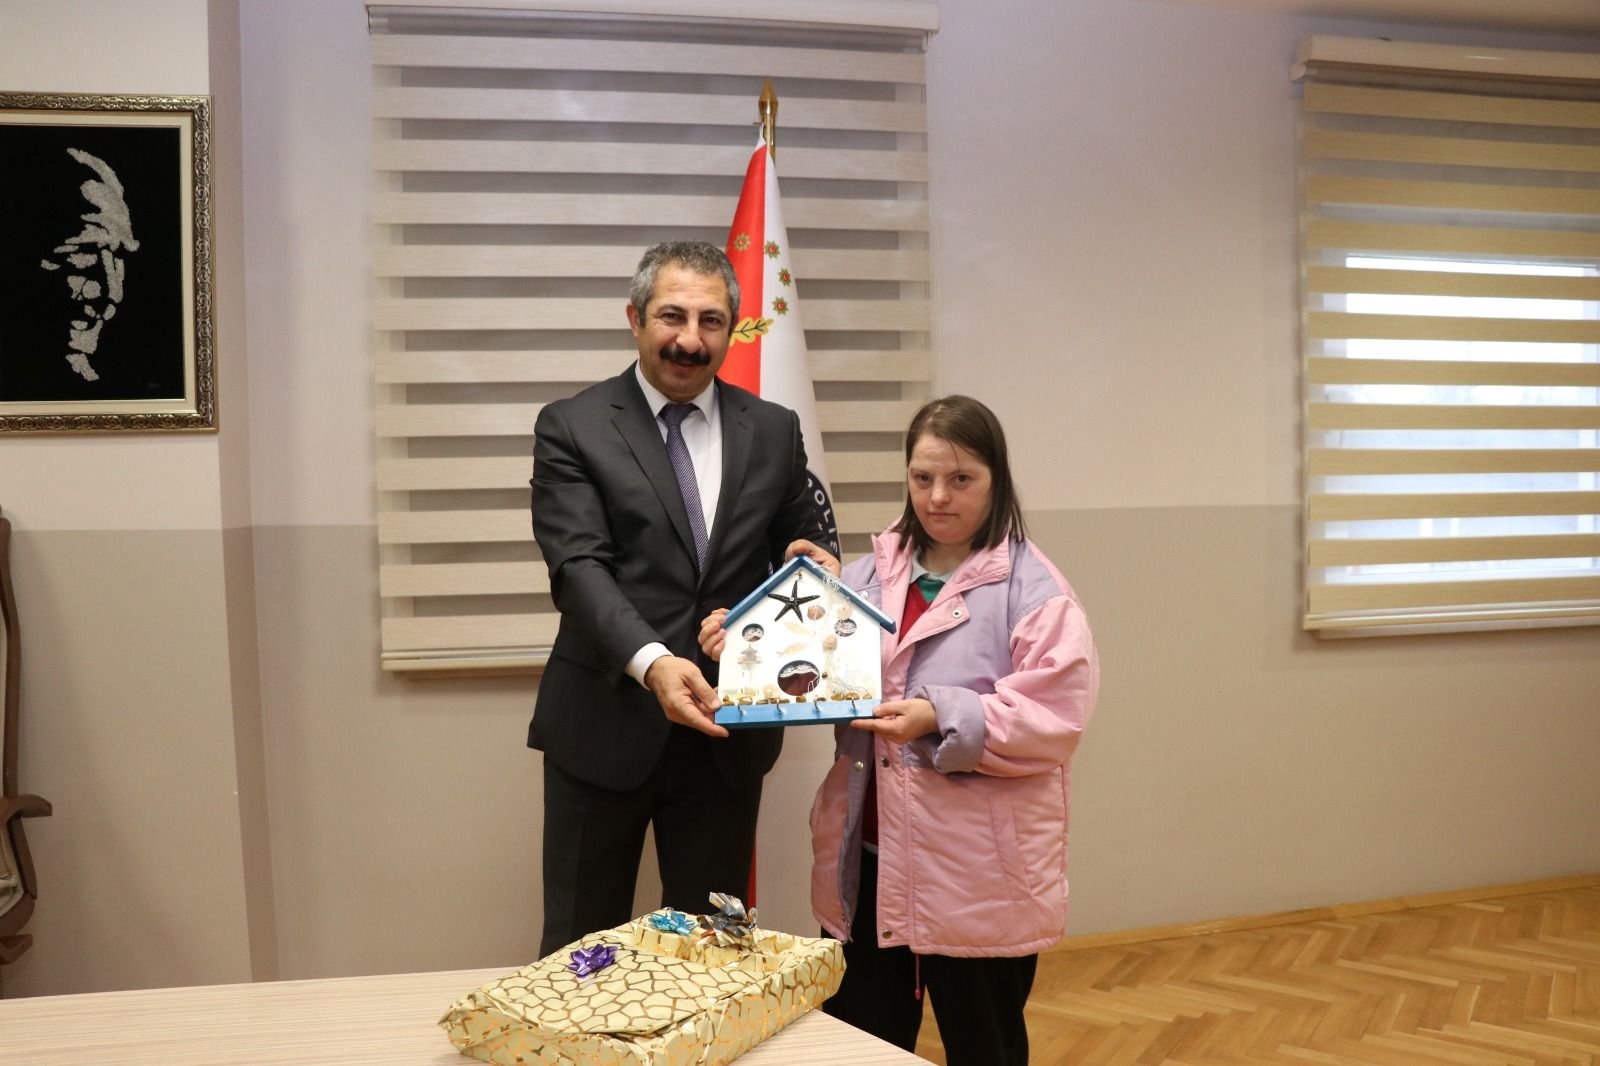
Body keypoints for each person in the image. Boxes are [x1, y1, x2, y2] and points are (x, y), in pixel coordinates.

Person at [529, 240, 831, 958]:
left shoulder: (774, 430)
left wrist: (814, 572)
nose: (690, 340)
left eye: (711, 321)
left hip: (724, 736)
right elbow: (578, 568)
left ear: (732, 330)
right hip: (604, 724)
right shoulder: (573, 426)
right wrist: (655, 662)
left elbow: (804, 550)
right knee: (580, 950)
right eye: (672, 316)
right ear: (635, 318)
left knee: (713, 953)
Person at [804, 395, 1098, 1066]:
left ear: (996, 480)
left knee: (985, 1046)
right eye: (923, 477)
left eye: (961, 478)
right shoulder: (865, 578)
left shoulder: (1036, 591)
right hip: (868, 862)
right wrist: (743, 647)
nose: (938, 496)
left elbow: (1055, 719)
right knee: (860, 1048)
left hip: (975, 877)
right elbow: (815, 679)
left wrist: (942, 714)